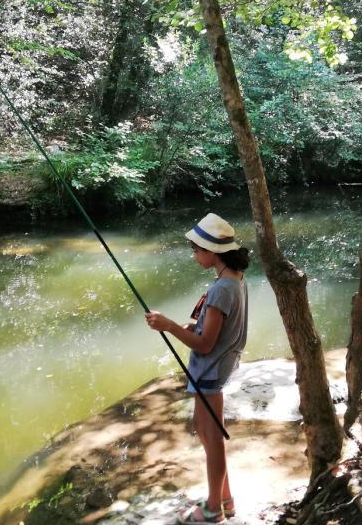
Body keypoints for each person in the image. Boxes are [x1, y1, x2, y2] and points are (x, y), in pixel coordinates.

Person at [145, 213, 249, 524]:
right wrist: (194, 324)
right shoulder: (234, 281)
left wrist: (169, 326)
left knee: (212, 439)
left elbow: (204, 345)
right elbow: (215, 330)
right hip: (216, 370)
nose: (194, 256)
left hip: (210, 373)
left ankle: (213, 509)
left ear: (213, 252)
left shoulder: (221, 290)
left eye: (197, 250)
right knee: (206, 434)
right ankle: (225, 498)